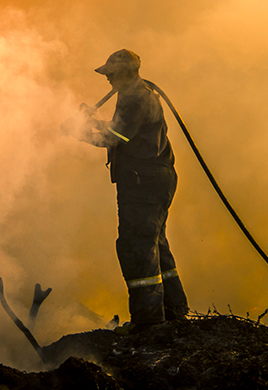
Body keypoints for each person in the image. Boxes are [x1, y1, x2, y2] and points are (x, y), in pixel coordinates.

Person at [78, 49, 188, 333]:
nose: (108, 81)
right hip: (151, 181)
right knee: (154, 243)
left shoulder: (136, 98)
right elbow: (123, 130)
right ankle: (174, 311)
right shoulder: (137, 96)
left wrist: (80, 133)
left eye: (111, 75)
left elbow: (115, 137)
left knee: (136, 246)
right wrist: (90, 121)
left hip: (143, 184)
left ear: (126, 73)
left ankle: (148, 321)